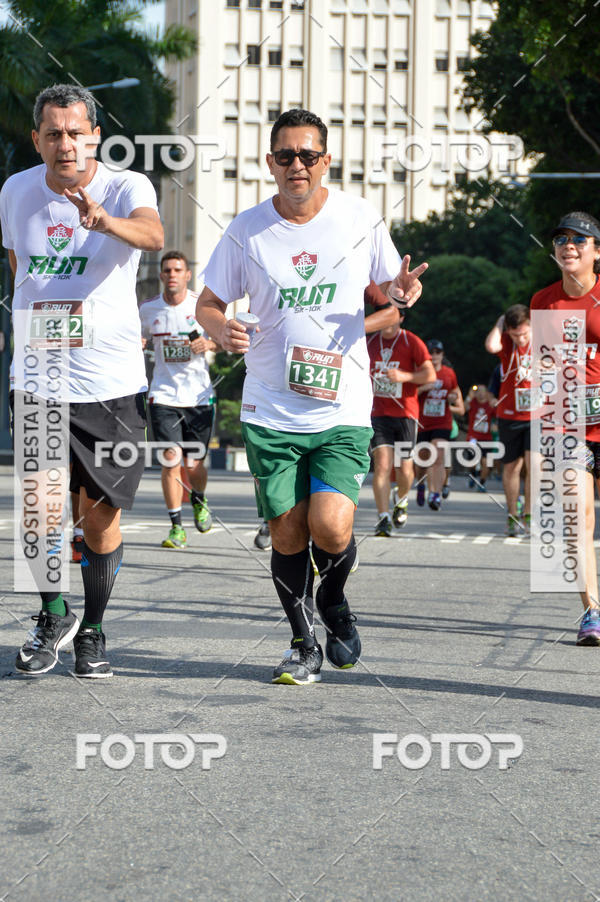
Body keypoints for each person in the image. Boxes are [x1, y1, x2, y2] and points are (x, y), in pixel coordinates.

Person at [196, 108, 426, 685]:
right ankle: (301, 643)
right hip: (271, 407)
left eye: (307, 155)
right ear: (270, 162)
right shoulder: (244, 231)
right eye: (284, 156)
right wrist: (220, 328)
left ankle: (335, 601)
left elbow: (392, 292)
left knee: (332, 527)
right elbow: (208, 304)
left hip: (341, 404)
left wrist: (401, 290)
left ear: (325, 161)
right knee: (287, 531)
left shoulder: (357, 217)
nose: (296, 165)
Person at [0, 83, 163, 677]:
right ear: (36, 138)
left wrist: (105, 221)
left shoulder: (126, 186)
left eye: (75, 132)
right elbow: (20, 265)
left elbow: (153, 236)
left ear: (94, 134)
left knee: (100, 518)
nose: (64, 144)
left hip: (110, 384)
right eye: (52, 133)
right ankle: (52, 617)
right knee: (40, 508)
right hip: (39, 375)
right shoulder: (15, 190)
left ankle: (92, 629)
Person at [251, 279, 398, 551]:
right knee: (287, 504)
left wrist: (352, 329)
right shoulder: (274, 256)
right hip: (278, 391)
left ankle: (333, 544)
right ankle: (273, 520)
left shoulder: (351, 261)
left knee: (327, 519)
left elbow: (392, 312)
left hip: (334, 390)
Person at [530, 211, 600, 645]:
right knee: (577, 514)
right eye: (560, 238)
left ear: (597, 250)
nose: (568, 245)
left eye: (580, 238)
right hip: (569, 424)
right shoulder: (544, 300)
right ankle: (592, 610)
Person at [140, 251, 217, 549]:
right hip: (163, 395)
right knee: (170, 460)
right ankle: (176, 528)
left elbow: (226, 340)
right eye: (167, 270)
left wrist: (209, 342)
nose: (172, 275)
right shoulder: (147, 309)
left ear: (187, 275)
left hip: (198, 396)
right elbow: (135, 337)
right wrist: (138, 342)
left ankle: (199, 499)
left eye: (178, 270)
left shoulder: (202, 306)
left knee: (194, 463)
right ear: (161, 276)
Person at [367, 311, 434, 536]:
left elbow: (430, 375)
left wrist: (404, 377)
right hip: (378, 413)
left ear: (401, 318)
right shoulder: (370, 342)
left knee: (405, 468)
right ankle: (383, 517)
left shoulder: (411, 341)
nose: (385, 322)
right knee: (383, 465)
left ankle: (402, 499)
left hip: (405, 413)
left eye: (391, 317)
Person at [484, 305, 532, 536]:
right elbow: (491, 345)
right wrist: (501, 322)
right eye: (516, 335)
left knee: (535, 464)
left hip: (538, 414)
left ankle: (530, 515)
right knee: (512, 467)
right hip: (509, 414)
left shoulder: (544, 340)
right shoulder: (506, 344)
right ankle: (513, 515)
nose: (521, 339)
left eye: (524, 333)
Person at [415, 340, 464, 510]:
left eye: (438, 352)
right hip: (422, 424)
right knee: (421, 461)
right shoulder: (421, 372)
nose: (435, 355)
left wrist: (452, 398)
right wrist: (423, 388)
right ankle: (420, 485)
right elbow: (409, 395)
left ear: (442, 355)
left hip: (443, 422)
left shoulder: (449, 373)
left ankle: (434, 493)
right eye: (432, 352)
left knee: (437, 457)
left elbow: (454, 394)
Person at [465, 384, 495, 490]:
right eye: (478, 391)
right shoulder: (472, 402)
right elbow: (464, 408)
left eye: (483, 391)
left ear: (487, 393)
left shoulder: (490, 405)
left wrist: (495, 425)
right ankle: (473, 476)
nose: (481, 393)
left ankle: (482, 483)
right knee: (472, 462)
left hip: (487, 438)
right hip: (473, 437)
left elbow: (498, 416)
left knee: (486, 462)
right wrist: (469, 395)